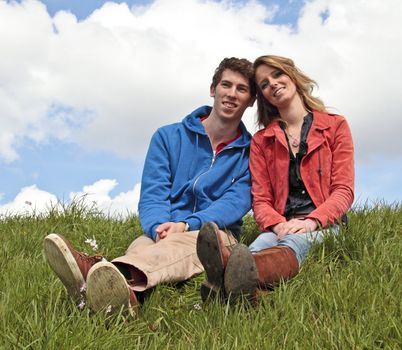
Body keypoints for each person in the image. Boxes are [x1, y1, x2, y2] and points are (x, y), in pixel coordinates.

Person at [43, 57, 256, 314]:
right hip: (163, 229)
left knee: (187, 245)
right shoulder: (167, 137)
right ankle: (123, 302)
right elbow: (154, 192)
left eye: (241, 89)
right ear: (213, 89)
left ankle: (97, 272)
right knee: (142, 247)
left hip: (215, 235)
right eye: (226, 85)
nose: (232, 94)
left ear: (251, 100)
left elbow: (233, 203)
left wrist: (187, 225)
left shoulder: (252, 153)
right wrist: (158, 227)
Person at [196, 55, 354, 301]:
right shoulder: (261, 141)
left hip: (325, 224)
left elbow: (343, 190)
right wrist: (278, 224)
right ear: (263, 96)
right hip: (281, 223)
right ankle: (248, 292)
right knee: (258, 245)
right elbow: (260, 200)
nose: (273, 84)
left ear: (292, 75)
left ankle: (225, 276)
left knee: (296, 243)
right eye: (265, 84)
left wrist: (312, 221)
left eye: (277, 75)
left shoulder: (335, 126)